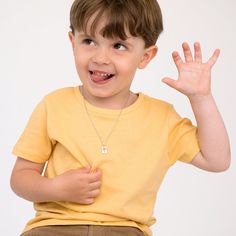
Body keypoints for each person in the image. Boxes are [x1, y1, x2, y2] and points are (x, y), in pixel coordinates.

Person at [10, 0, 231, 236]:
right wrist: (56, 188)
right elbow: (20, 179)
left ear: (145, 56)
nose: (101, 57)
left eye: (118, 45)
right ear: (73, 42)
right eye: (89, 41)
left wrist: (201, 98)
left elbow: (216, 160)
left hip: (126, 230)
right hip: (53, 228)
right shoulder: (53, 105)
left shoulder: (162, 118)